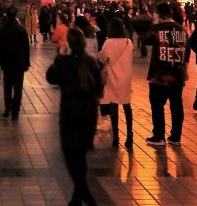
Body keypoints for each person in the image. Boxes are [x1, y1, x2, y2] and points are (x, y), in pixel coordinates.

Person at [46, 26, 103, 206]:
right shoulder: (92, 62)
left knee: (71, 157)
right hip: (89, 116)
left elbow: (50, 77)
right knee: (80, 157)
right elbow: (99, 89)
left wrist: (61, 55)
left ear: (69, 44)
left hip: (70, 117)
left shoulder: (64, 62)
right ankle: (77, 198)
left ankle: (87, 197)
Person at [144, 2, 188, 147]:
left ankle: (159, 135)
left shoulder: (157, 29)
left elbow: (146, 40)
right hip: (177, 74)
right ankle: (175, 136)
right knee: (176, 105)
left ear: (158, 14)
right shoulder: (182, 29)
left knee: (157, 105)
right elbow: (187, 51)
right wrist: (186, 71)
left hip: (160, 74)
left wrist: (155, 23)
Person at [97, 17, 134, 148]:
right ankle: (129, 135)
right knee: (127, 106)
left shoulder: (108, 42)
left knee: (113, 106)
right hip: (126, 77)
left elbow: (102, 58)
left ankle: (116, 137)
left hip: (113, 77)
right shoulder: (129, 42)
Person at [0, 7, 30, 120]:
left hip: (7, 63)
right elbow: (26, 48)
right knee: (18, 88)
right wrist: (27, 62)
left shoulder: (2, 31)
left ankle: (8, 107)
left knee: (7, 86)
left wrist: (1, 61)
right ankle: (15, 111)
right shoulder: (21, 30)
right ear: (16, 15)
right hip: (19, 63)